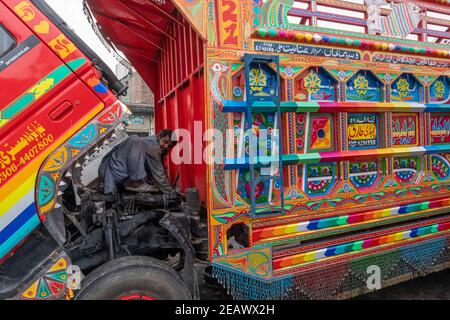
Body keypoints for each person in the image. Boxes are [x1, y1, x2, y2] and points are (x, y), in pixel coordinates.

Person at [98, 129, 177, 195]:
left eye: (169, 146)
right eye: (165, 142)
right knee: (134, 138)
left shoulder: (149, 145)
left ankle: (135, 182)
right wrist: (171, 194)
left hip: (115, 174)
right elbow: (159, 174)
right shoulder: (152, 146)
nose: (166, 147)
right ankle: (135, 183)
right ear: (158, 137)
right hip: (110, 171)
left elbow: (160, 172)